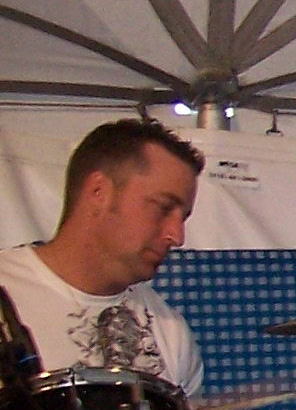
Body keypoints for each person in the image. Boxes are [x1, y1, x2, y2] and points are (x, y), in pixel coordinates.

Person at [0, 119, 206, 395]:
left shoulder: (172, 332)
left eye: (183, 218)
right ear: (99, 192)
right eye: (163, 208)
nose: (177, 236)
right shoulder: (7, 290)